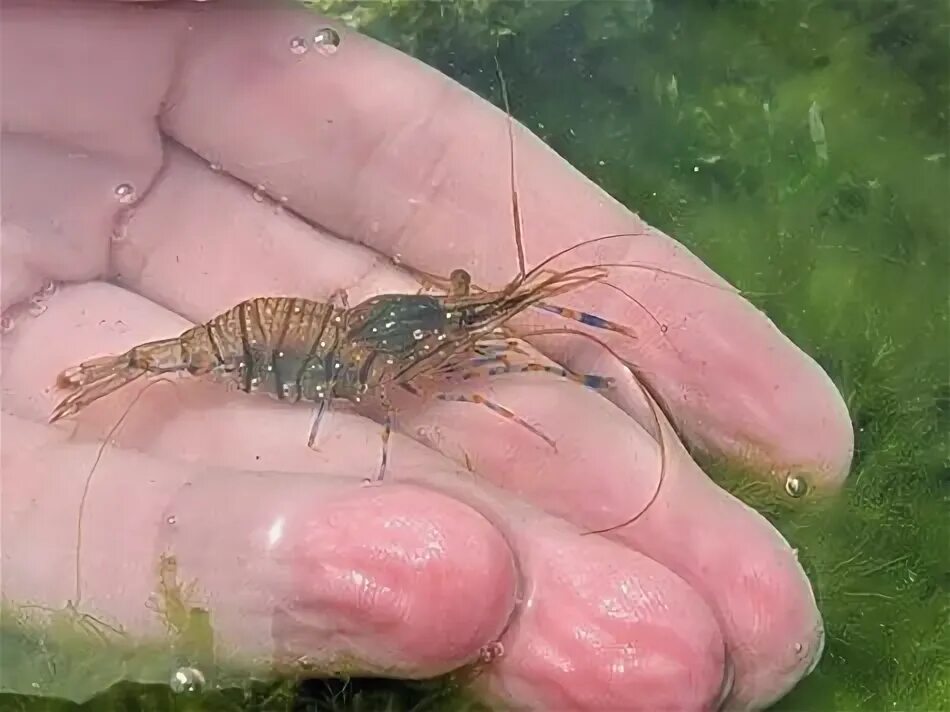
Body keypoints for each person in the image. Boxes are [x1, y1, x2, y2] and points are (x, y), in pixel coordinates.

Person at [0, 1, 853, 709]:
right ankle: (131, 369)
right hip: (260, 349)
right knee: (481, 421)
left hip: (303, 339)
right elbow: (458, 376)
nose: (477, 321)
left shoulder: (429, 326)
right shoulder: (396, 361)